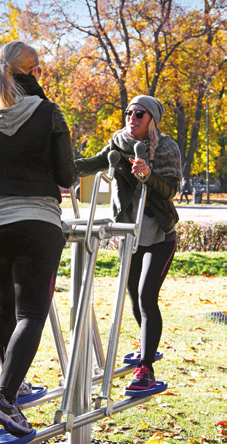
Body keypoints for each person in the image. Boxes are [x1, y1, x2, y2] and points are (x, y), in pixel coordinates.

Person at [0, 40, 77, 435]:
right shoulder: (48, 112)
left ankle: (15, 385)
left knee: (4, 303)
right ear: (35, 72)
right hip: (36, 224)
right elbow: (66, 176)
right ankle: (5, 400)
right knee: (32, 313)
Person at [75, 95, 182, 390]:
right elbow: (93, 163)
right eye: (128, 113)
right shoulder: (118, 143)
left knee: (148, 296)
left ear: (152, 120)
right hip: (128, 233)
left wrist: (148, 175)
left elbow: (171, 189)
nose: (131, 118)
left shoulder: (168, 147)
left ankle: (146, 369)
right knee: (134, 295)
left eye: (139, 114)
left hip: (160, 233)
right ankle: (147, 346)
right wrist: (62, 167)